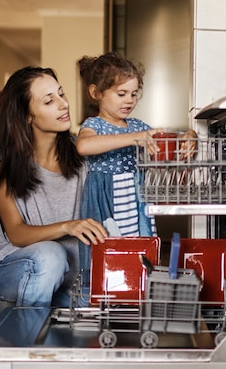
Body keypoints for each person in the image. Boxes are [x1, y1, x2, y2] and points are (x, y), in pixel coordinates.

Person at [0, 66, 108, 309]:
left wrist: (179, 138)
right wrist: (68, 226)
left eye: (61, 94)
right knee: (50, 256)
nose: (63, 104)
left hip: (70, 279)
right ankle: (27, 341)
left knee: (106, 305)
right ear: (27, 115)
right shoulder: (2, 156)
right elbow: (16, 233)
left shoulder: (81, 152)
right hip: (10, 267)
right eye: (49, 101)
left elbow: (127, 155)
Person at [76, 52, 197, 241]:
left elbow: (169, 139)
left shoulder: (137, 125)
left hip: (135, 196)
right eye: (121, 94)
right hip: (107, 198)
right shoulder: (94, 124)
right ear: (96, 93)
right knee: (109, 248)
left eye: (134, 94)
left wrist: (190, 136)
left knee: (139, 244)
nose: (129, 100)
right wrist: (134, 138)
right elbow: (84, 146)